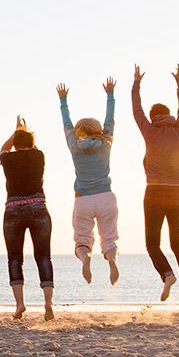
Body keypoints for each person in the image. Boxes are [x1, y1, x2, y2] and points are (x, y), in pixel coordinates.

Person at [131, 63, 179, 301]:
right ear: (168, 114)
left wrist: (136, 83)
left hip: (155, 192)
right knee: (178, 242)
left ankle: (168, 275)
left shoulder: (150, 130)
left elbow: (136, 110)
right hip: (178, 193)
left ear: (152, 117)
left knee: (152, 244)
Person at [57, 78, 120, 286]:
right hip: (105, 197)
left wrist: (63, 101)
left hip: (83, 199)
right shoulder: (106, 143)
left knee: (82, 240)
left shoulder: (74, 145)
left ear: (78, 132)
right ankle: (111, 259)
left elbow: (66, 125)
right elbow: (110, 121)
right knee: (109, 239)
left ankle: (86, 258)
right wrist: (110, 95)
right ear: (98, 130)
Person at [0, 116, 55, 320]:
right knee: (43, 257)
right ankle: (48, 303)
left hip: (13, 210)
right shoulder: (39, 156)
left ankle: (20, 304)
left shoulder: (8, 159)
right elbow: (34, 147)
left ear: (15, 143)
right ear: (31, 144)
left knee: (14, 258)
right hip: (38, 207)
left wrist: (14, 132)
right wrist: (22, 131)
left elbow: (3, 149)